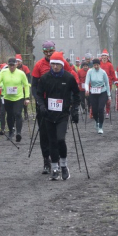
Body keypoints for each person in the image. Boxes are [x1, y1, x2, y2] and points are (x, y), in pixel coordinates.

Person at [31, 41, 79, 174]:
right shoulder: (39, 65)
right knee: (44, 135)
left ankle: (57, 161)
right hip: (44, 104)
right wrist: (38, 101)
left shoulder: (62, 61)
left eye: (50, 51)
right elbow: (34, 86)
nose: (48, 54)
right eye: (45, 52)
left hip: (60, 105)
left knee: (58, 136)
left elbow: (71, 79)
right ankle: (46, 160)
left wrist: (71, 102)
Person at [0, 57, 30, 142]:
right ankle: (11, 132)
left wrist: (27, 97)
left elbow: (26, 85)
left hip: (18, 97)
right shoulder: (3, 72)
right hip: (7, 98)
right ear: (8, 65)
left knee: (17, 114)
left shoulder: (21, 73)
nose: (12, 67)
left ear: (16, 65)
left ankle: (18, 133)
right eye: (10, 65)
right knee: (9, 116)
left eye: (13, 65)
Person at [85, 58, 111, 134]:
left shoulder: (103, 72)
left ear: (99, 65)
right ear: (93, 65)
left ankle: (100, 126)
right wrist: (87, 90)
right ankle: (97, 121)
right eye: (94, 65)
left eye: (97, 65)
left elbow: (107, 84)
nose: (96, 66)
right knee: (94, 110)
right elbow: (86, 82)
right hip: (93, 92)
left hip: (102, 91)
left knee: (100, 108)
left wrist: (109, 95)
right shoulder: (90, 71)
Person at [99, 49, 117, 119]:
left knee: (107, 98)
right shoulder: (99, 64)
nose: (104, 57)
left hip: (108, 84)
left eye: (105, 56)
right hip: (99, 83)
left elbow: (113, 74)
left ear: (107, 57)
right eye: (103, 55)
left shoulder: (110, 65)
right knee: (100, 97)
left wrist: (115, 81)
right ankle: (101, 109)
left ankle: (107, 111)